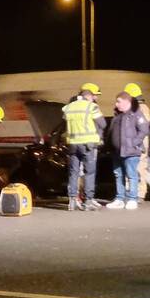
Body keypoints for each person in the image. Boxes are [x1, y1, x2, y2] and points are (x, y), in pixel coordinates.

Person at [61, 83, 106, 211]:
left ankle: (72, 200)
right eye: (93, 96)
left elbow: (65, 121)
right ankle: (88, 201)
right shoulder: (91, 107)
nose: (94, 98)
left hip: (73, 144)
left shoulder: (68, 108)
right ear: (89, 96)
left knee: (73, 172)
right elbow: (102, 124)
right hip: (88, 144)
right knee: (89, 173)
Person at [107, 91, 150, 210]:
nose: (116, 104)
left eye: (119, 101)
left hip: (131, 152)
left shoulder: (136, 114)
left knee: (132, 175)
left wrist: (133, 143)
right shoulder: (118, 115)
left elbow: (144, 130)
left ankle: (132, 199)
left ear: (127, 102)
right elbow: (111, 132)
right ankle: (119, 199)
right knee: (118, 175)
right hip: (117, 152)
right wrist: (109, 145)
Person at [124, 83, 150, 200]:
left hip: (138, 143)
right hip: (136, 142)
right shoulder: (141, 108)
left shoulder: (141, 109)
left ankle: (138, 193)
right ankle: (133, 192)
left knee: (138, 168)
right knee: (132, 167)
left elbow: (141, 127)